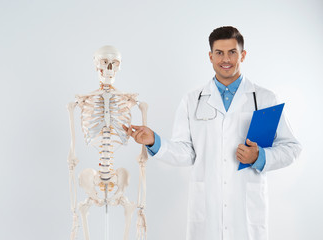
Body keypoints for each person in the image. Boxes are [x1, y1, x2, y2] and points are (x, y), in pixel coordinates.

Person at [123, 26, 302, 240]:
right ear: (210, 56)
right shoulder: (192, 99)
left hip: (246, 211)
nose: (225, 59)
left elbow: (292, 148)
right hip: (206, 210)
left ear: (242, 55)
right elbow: (186, 153)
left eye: (232, 52)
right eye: (219, 53)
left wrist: (260, 157)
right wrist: (154, 141)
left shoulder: (264, 99)